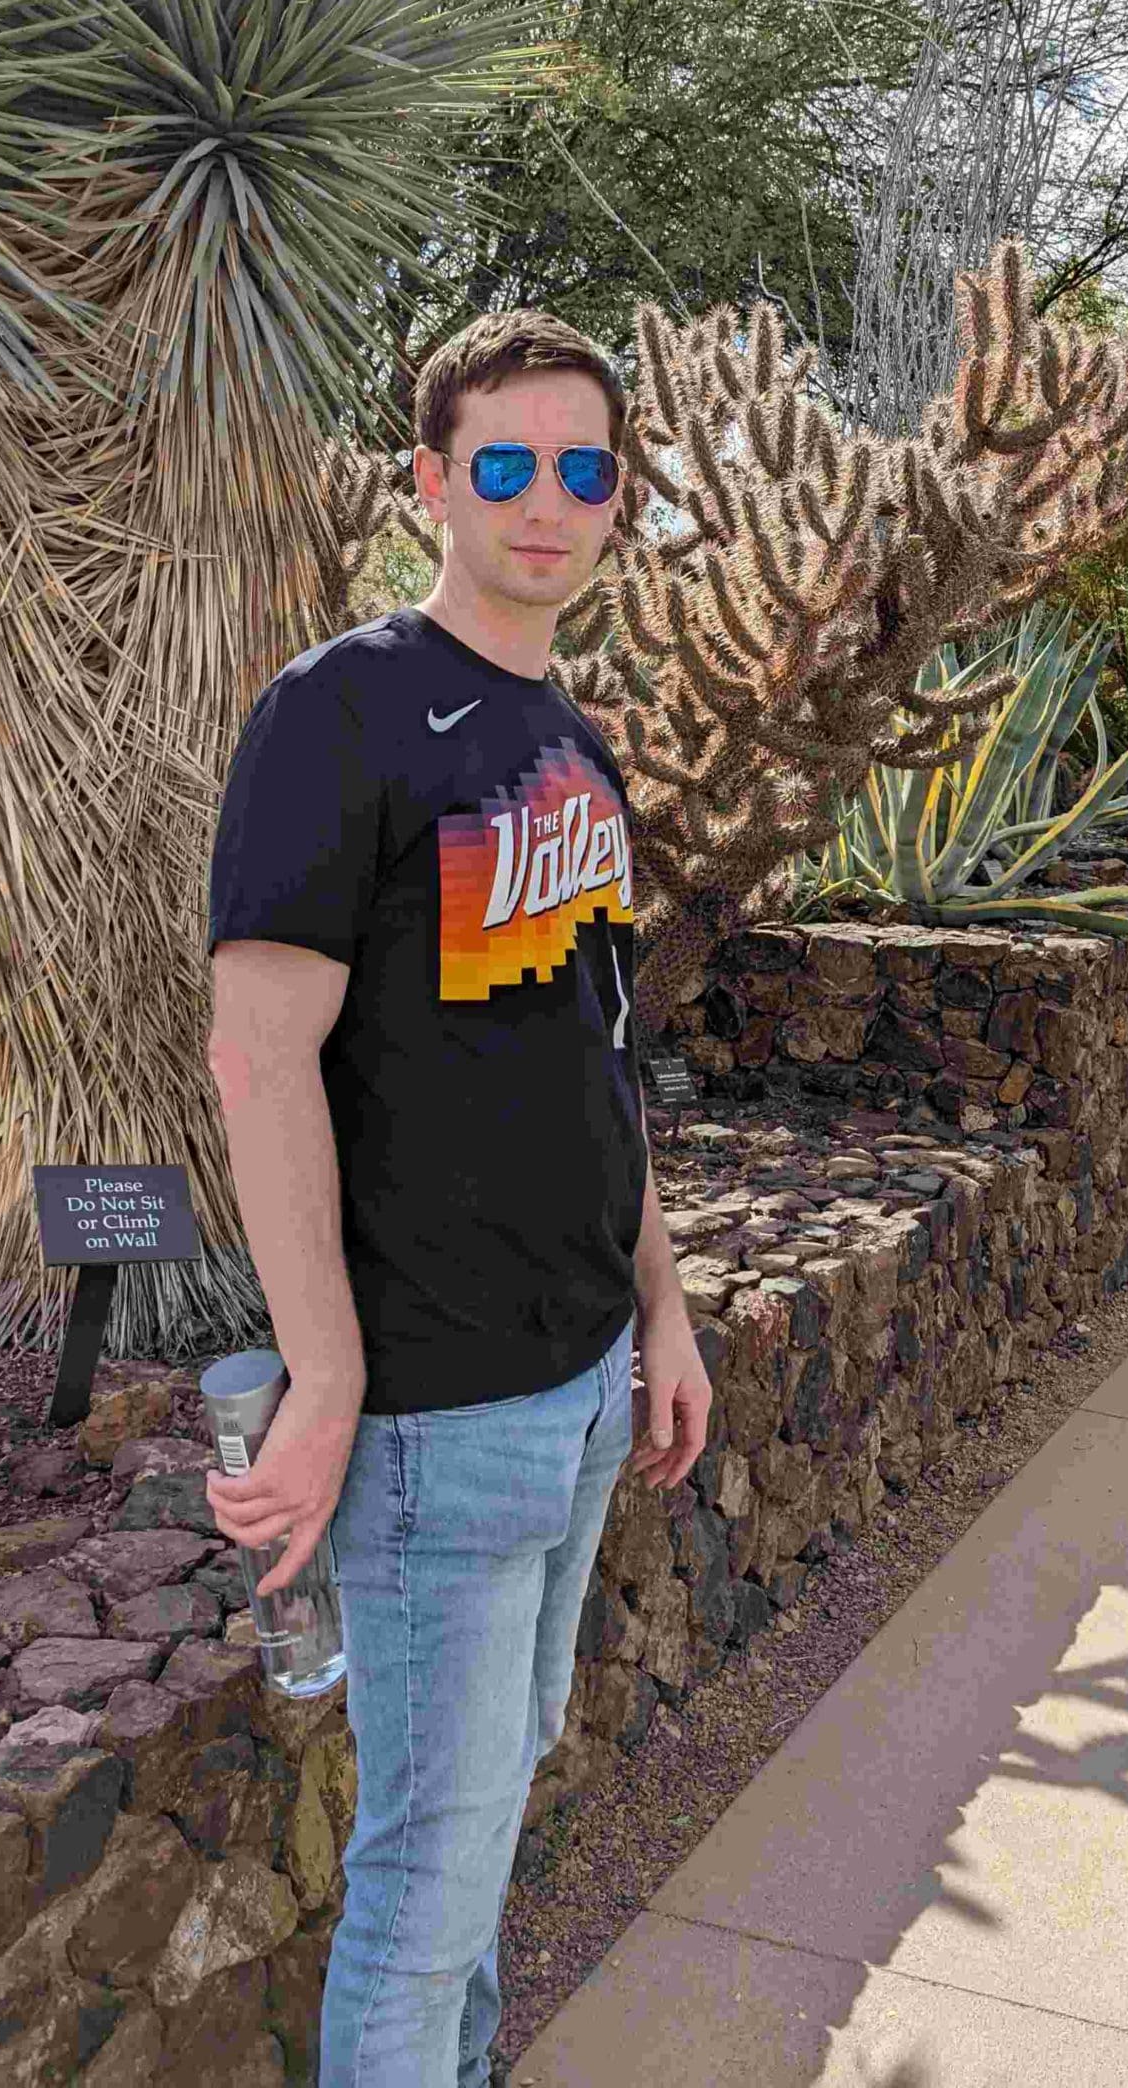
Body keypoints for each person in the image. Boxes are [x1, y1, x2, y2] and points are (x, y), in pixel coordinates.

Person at [202, 310, 711, 2087]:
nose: (546, 501)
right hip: (438, 1411)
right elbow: (258, 1055)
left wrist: (664, 1309)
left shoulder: (578, 749)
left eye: (584, 469)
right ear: (433, 482)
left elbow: (602, 1056)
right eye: (504, 464)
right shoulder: (336, 712)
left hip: (579, 1386)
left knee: (486, 1824)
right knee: (424, 1895)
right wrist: (329, 1376)